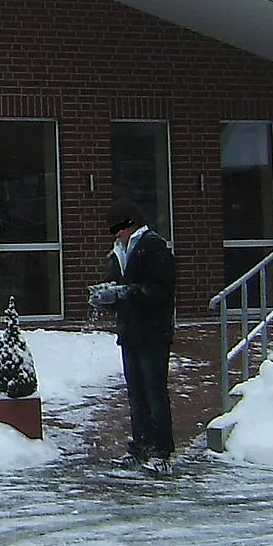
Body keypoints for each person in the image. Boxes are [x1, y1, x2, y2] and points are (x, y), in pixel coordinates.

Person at [95, 200, 178, 472]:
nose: (115, 233)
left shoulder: (154, 248)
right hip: (130, 332)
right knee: (136, 393)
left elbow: (160, 290)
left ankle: (161, 450)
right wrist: (105, 297)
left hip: (153, 331)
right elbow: (118, 286)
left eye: (119, 226)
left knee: (154, 392)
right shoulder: (119, 252)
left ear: (132, 222)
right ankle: (140, 446)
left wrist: (123, 293)